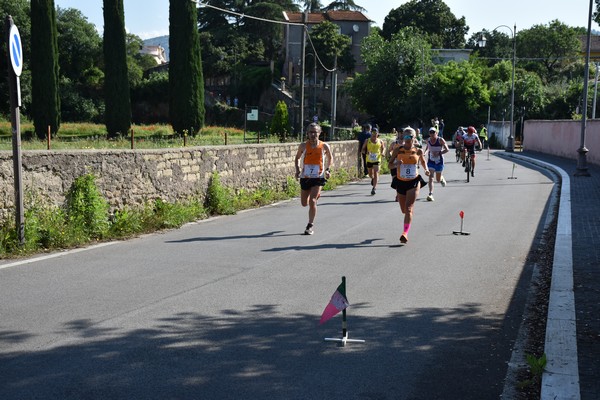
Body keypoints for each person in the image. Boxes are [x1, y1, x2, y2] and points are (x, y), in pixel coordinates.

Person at [388, 127, 430, 244]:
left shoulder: (418, 150)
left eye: (409, 137)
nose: (407, 139)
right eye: (405, 137)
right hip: (400, 182)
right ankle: (408, 217)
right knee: (403, 210)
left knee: (408, 208)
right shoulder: (398, 150)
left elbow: (422, 161)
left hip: (413, 181)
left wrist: (426, 170)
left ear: (414, 138)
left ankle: (405, 233)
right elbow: (389, 165)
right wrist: (396, 164)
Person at [295, 123, 333, 235]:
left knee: (312, 201)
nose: (313, 134)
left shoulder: (324, 146)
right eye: (310, 132)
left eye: (315, 132)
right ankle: (315, 196)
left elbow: (330, 158)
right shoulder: (302, 146)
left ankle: (310, 225)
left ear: (319, 133)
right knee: (303, 203)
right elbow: (297, 158)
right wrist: (297, 170)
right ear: (307, 133)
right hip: (306, 176)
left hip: (318, 176)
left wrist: (328, 170)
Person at [424, 127, 449, 201]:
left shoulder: (440, 140)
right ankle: (430, 194)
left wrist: (439, 153)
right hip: (431, 161)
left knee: (437, 179)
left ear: (436, 133)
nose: (432, 134)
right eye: (430, 132)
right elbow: (427, 147)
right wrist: (424, 153)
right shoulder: (428, 140)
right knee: (431, 177)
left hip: (439, 161)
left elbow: (447, 149)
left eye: (433, 132)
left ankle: (441, 178)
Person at [361, 127, 385, 195]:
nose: (374, 134)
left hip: (377, 159)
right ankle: (373, 179)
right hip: (369, 159)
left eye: (376, 133)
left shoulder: (380, 141)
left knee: (376, 172)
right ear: (371, 133)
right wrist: (366, 153)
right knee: (370, 174)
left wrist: (382, 152)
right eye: (373, 133)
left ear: (377, 134)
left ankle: (374, 188)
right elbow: (362, 149)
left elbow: (383, 148)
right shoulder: (367, 141)